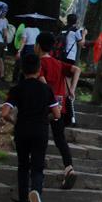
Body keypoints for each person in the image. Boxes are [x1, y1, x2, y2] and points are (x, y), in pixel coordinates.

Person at [0, 51, 60, 202]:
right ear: (39, 69)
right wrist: (44, 118)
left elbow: (4, 113)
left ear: (22, 69)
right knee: (38, 166)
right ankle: (36, 194)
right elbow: (56, 114)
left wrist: (13, 121)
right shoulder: (45, 89)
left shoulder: (17, 89)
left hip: (22, 130)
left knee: (23, 166)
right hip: (40, 130)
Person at [34, 32, 80, 190]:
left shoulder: (39, 63)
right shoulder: (58, 63)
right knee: (60, 138)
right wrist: (72, 90)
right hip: (60, 107)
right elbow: (77, 70)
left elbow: (41, 81)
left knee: (40, 138)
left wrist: (48, 95)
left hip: (44, 107)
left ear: (38, 46)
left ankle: (36, 172)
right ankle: (69, 168)